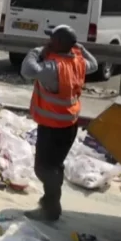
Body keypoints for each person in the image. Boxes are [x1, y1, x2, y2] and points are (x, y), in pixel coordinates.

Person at [20, 25, 98, 222]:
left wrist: (38, 51)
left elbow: (27, 70)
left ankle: (51, 208)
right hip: (69, 125)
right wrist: (78, 47)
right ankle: (52, 204)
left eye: (51, 39)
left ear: (58, 44)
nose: (48, 42)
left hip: (52, 127)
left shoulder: (52, 67)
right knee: (55, 165)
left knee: (43, 169)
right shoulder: (78, 62)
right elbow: (94, 64)